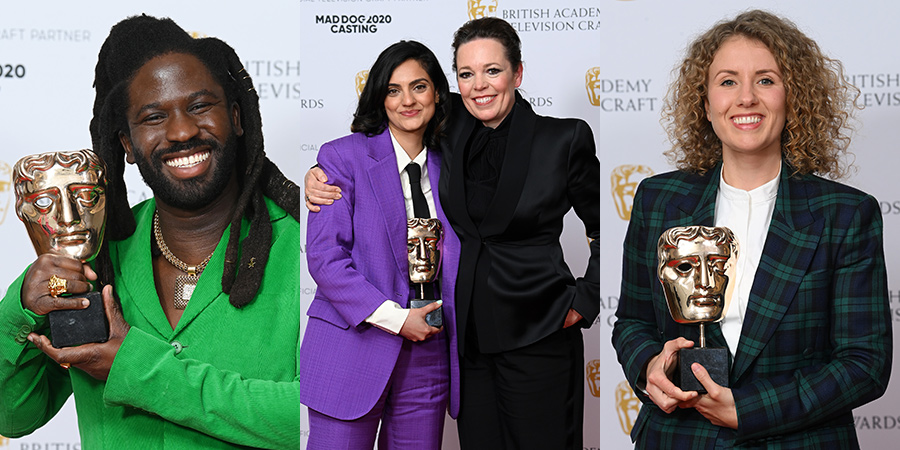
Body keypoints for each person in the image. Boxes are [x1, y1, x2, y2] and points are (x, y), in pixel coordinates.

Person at [0, 15, 305, 448]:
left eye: (200, 106)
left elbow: (320, 419)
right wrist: (21, 307)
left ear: (236, 117)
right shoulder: (98, 253)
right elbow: (12, 415)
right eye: (154, 116)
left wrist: (139, 369)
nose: (181, 131)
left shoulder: (308, 248)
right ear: (127, 144)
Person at [306, 17, 600, 450]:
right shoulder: (371, 151)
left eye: (493, 71)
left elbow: (609, 228)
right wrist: (312, 179)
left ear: (517, 73)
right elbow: (327, 255)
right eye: (466, 74)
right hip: (412, 346)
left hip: (500, 340)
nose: (479, 85)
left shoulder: (534, 140)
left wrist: (584, 299)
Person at [612, 10, 890, 448]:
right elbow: (632, 320)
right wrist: (648, 365)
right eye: (727, 81)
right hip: (678, 438)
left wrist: (751, 409)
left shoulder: (846, 214)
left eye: (765, 80)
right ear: (705, 103)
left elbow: (864, 363)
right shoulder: (658, 199)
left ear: (792, 96)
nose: (746, 98)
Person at [299, 40, 460, 449]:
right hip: (352, 347)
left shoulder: (456, 162)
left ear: (437, 93)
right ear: (379, 98)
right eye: (393, 89)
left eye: (419, 87)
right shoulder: (341, 158)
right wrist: (395, 318)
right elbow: (325, 258)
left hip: (429, 356)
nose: (407, 100)